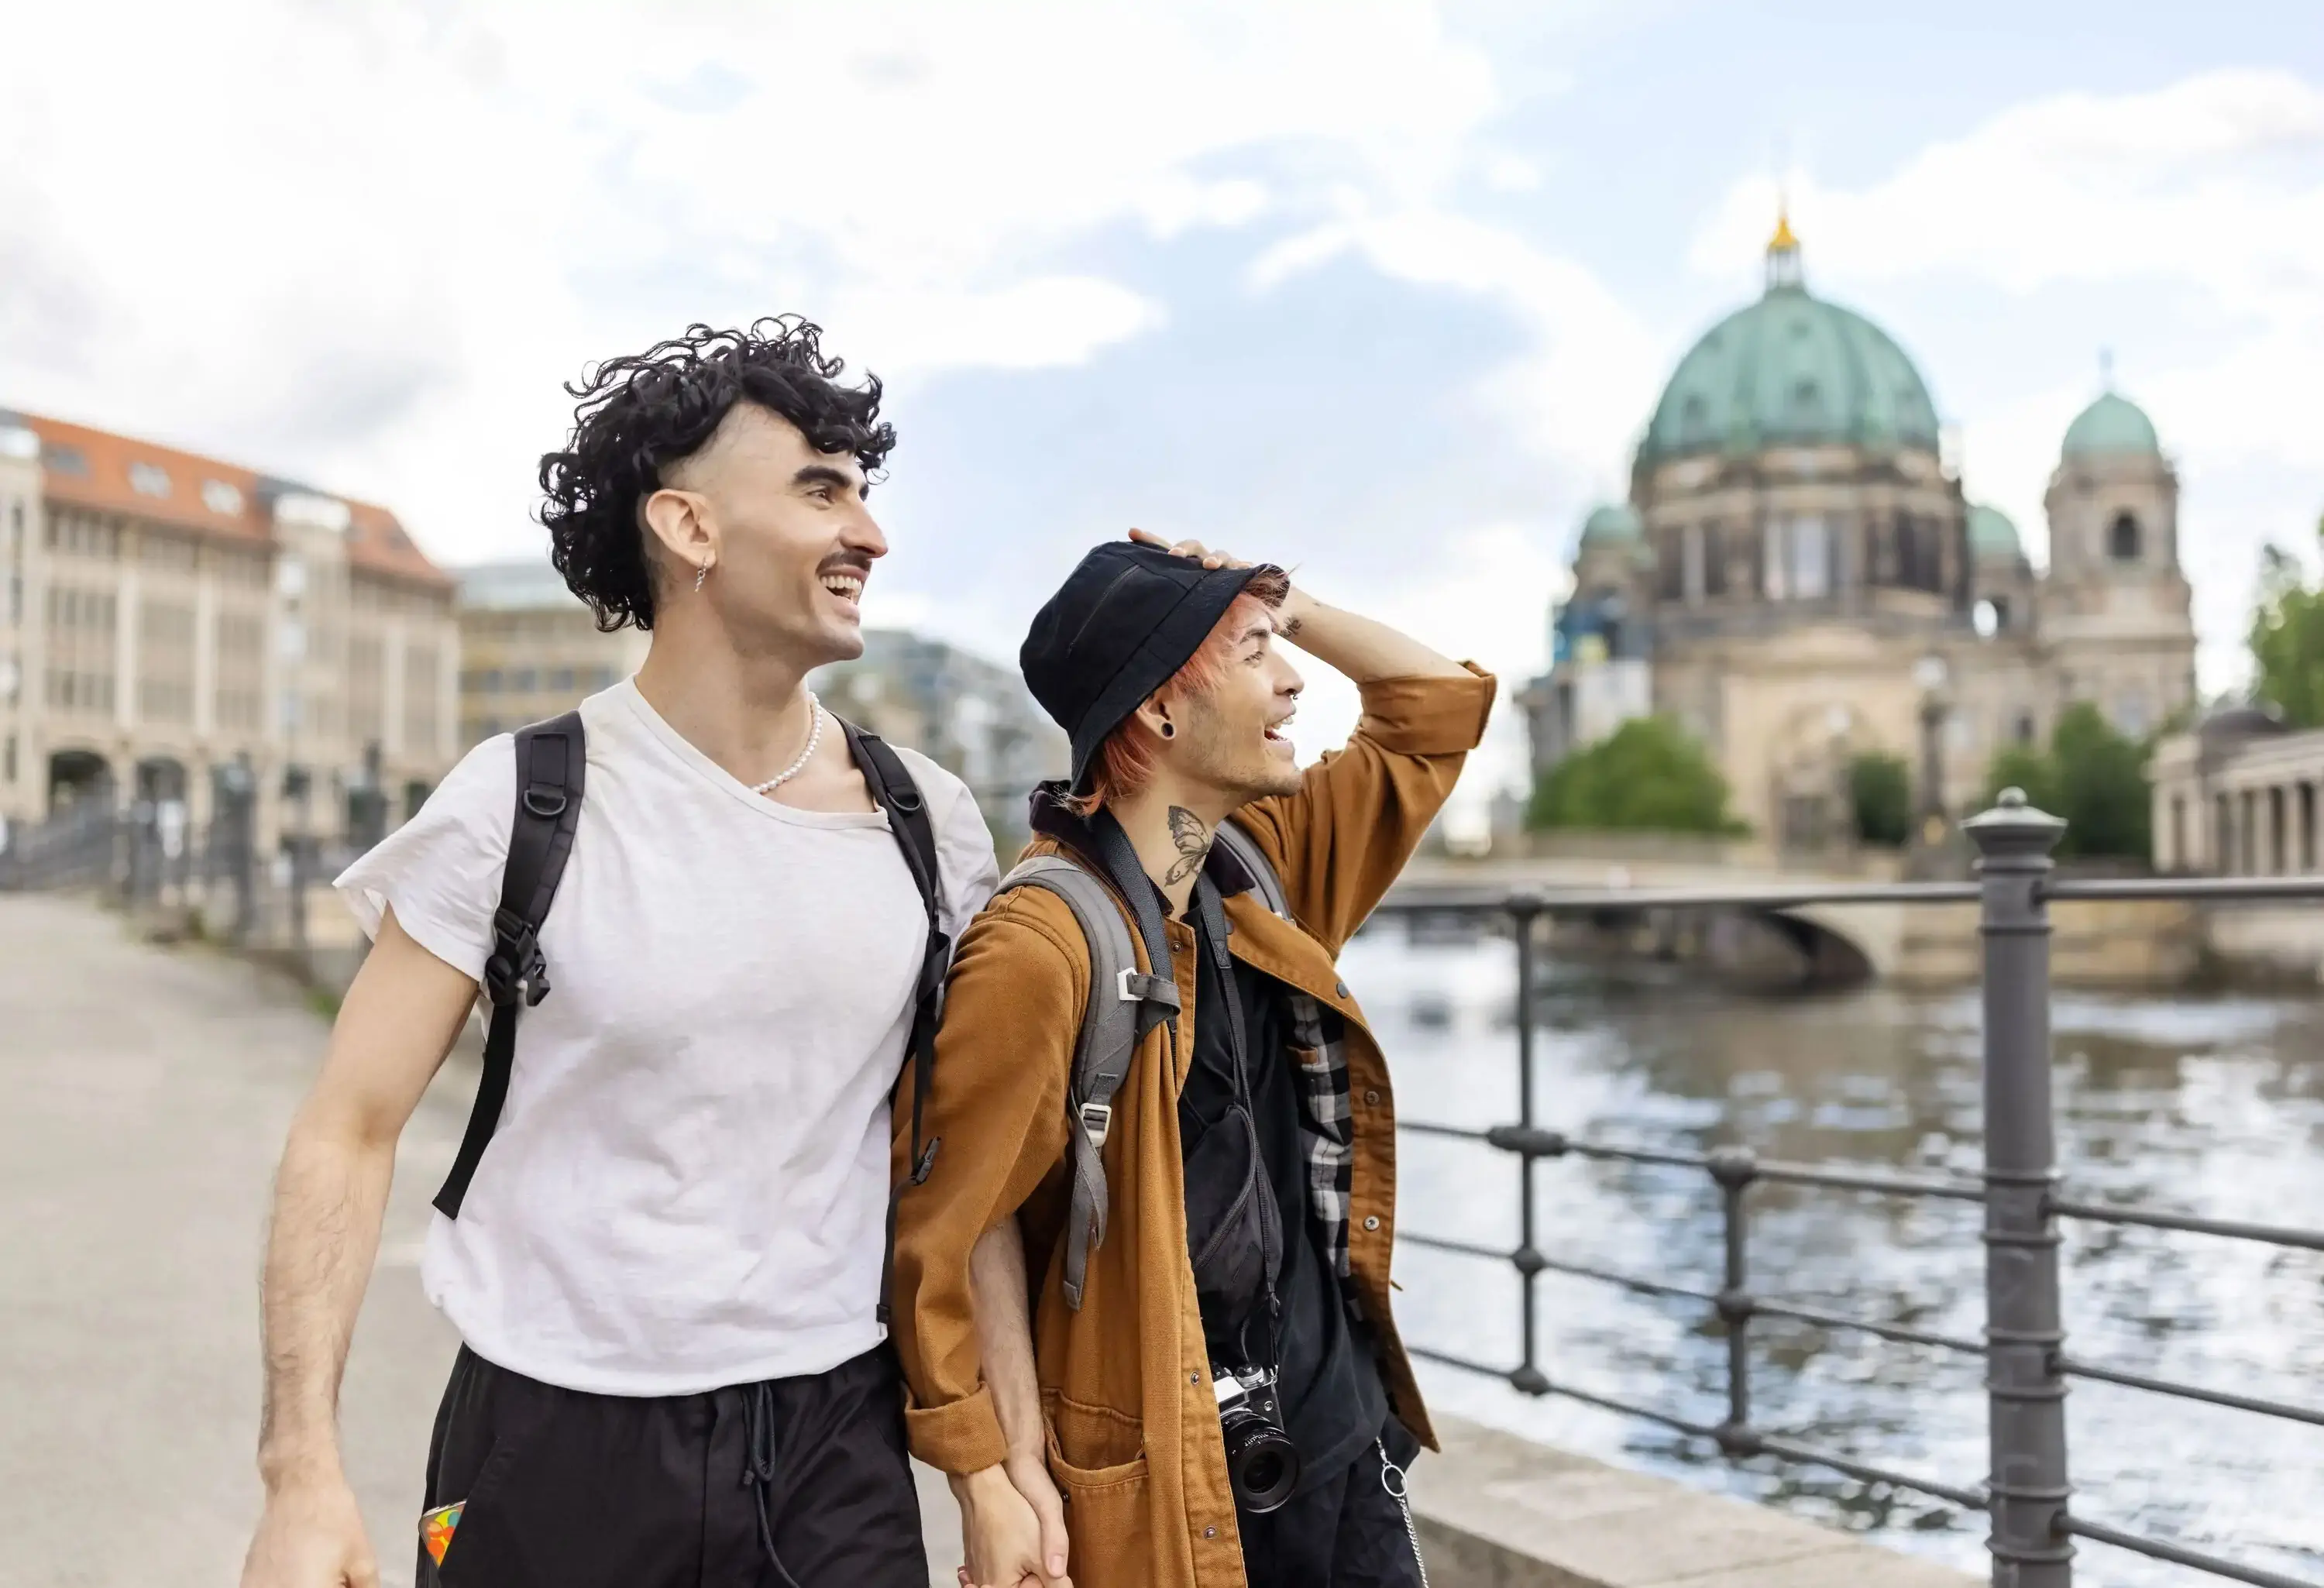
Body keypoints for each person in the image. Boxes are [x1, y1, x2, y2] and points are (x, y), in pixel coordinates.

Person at [239, 319, 999, 1588]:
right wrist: (300, 1468)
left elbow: (967, 1172)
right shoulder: (521, 801)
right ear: (689, 529)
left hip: (829, 1447)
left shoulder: (931, 826)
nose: (869, 534)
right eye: (821, 489)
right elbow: (347, 1129)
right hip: (547, 1437)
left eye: (864, 495)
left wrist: (996, 1465)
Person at [892, 532, 1494, 1588]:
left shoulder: (1260, 865)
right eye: (1256, 651)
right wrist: (993, 1474)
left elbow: (1434, 709)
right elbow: (951, 1231)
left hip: (1340, 1459)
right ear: (1162, 711)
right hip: (1171, 1495)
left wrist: (1281, 599)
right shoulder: (1040, 948)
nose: (1294, 673)